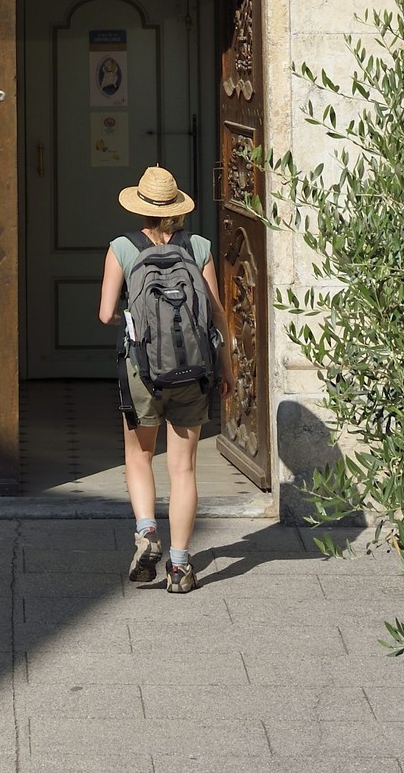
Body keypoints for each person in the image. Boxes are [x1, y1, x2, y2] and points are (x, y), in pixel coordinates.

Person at [98, 163, 230, 594]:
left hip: (143, 371)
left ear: (140, 208)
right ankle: (179, 566)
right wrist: (225, 367)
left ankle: (147, 532)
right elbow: (214, 313)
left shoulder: (122, 247)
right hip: (193, 370)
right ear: (177, 208)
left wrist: (133, 317)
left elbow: (104, 314)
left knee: (139, 457)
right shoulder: (199, 246)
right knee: (184, 467)